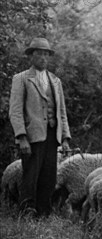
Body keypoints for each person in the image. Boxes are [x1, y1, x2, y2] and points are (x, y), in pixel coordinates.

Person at [9, 37, 71, 217]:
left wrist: (65, 138)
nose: (43, 57)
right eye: (38, 54)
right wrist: (21, 137)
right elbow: (15, 111)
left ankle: (44, 213)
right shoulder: (21, 78)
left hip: (53, 136)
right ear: (31, 56)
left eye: (46, 54)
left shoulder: (55, 81)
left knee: (49, 176)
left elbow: (62, 112)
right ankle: (27, 212)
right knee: (30, 176)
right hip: (32, 136)